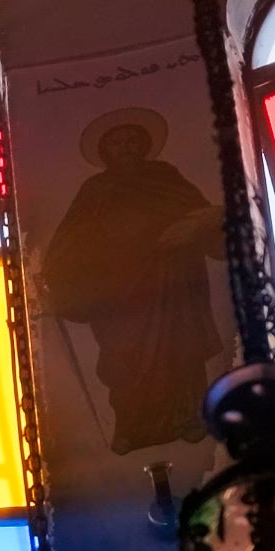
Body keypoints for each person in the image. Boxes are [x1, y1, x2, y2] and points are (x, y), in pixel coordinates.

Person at [39, 110, 229, 454]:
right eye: (117, 142)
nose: (126, 147)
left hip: (173, 285)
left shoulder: (164, 176)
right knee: (123, 359)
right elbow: (70, 239)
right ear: (105, 150)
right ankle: (131, 426)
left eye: (132, 140)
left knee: (181, 351)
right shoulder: (95, 189)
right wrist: (57, 273)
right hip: (119, 293)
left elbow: (203, 217)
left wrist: (194, 226)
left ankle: (189, 417)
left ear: (144, 145)